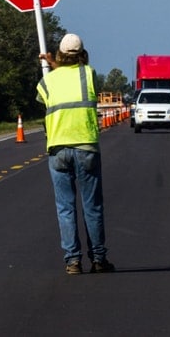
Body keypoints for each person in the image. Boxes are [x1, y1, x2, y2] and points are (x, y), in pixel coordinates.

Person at [36, 33, 114, 275]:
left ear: (59, 54)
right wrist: (57, 65)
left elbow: (46, 97)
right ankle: (99, 259)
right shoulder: (88, 74)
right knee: (92, 206)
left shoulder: (46, 81)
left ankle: (73, 261)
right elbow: (75, 76)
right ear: (82, 53)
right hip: (86, 146)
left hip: (58, 148)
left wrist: (50, 65)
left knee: (65, 207)